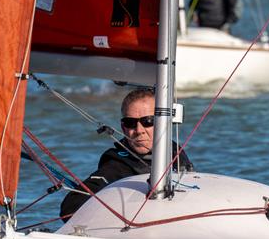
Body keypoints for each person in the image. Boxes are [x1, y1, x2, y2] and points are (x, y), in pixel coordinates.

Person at [59, 88, 193, 221]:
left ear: (163, 123)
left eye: (148, 121)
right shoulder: (116, 166)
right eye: (131, 123)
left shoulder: (174, 150)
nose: (139, 131)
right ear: (123, 128)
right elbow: (69, 209)